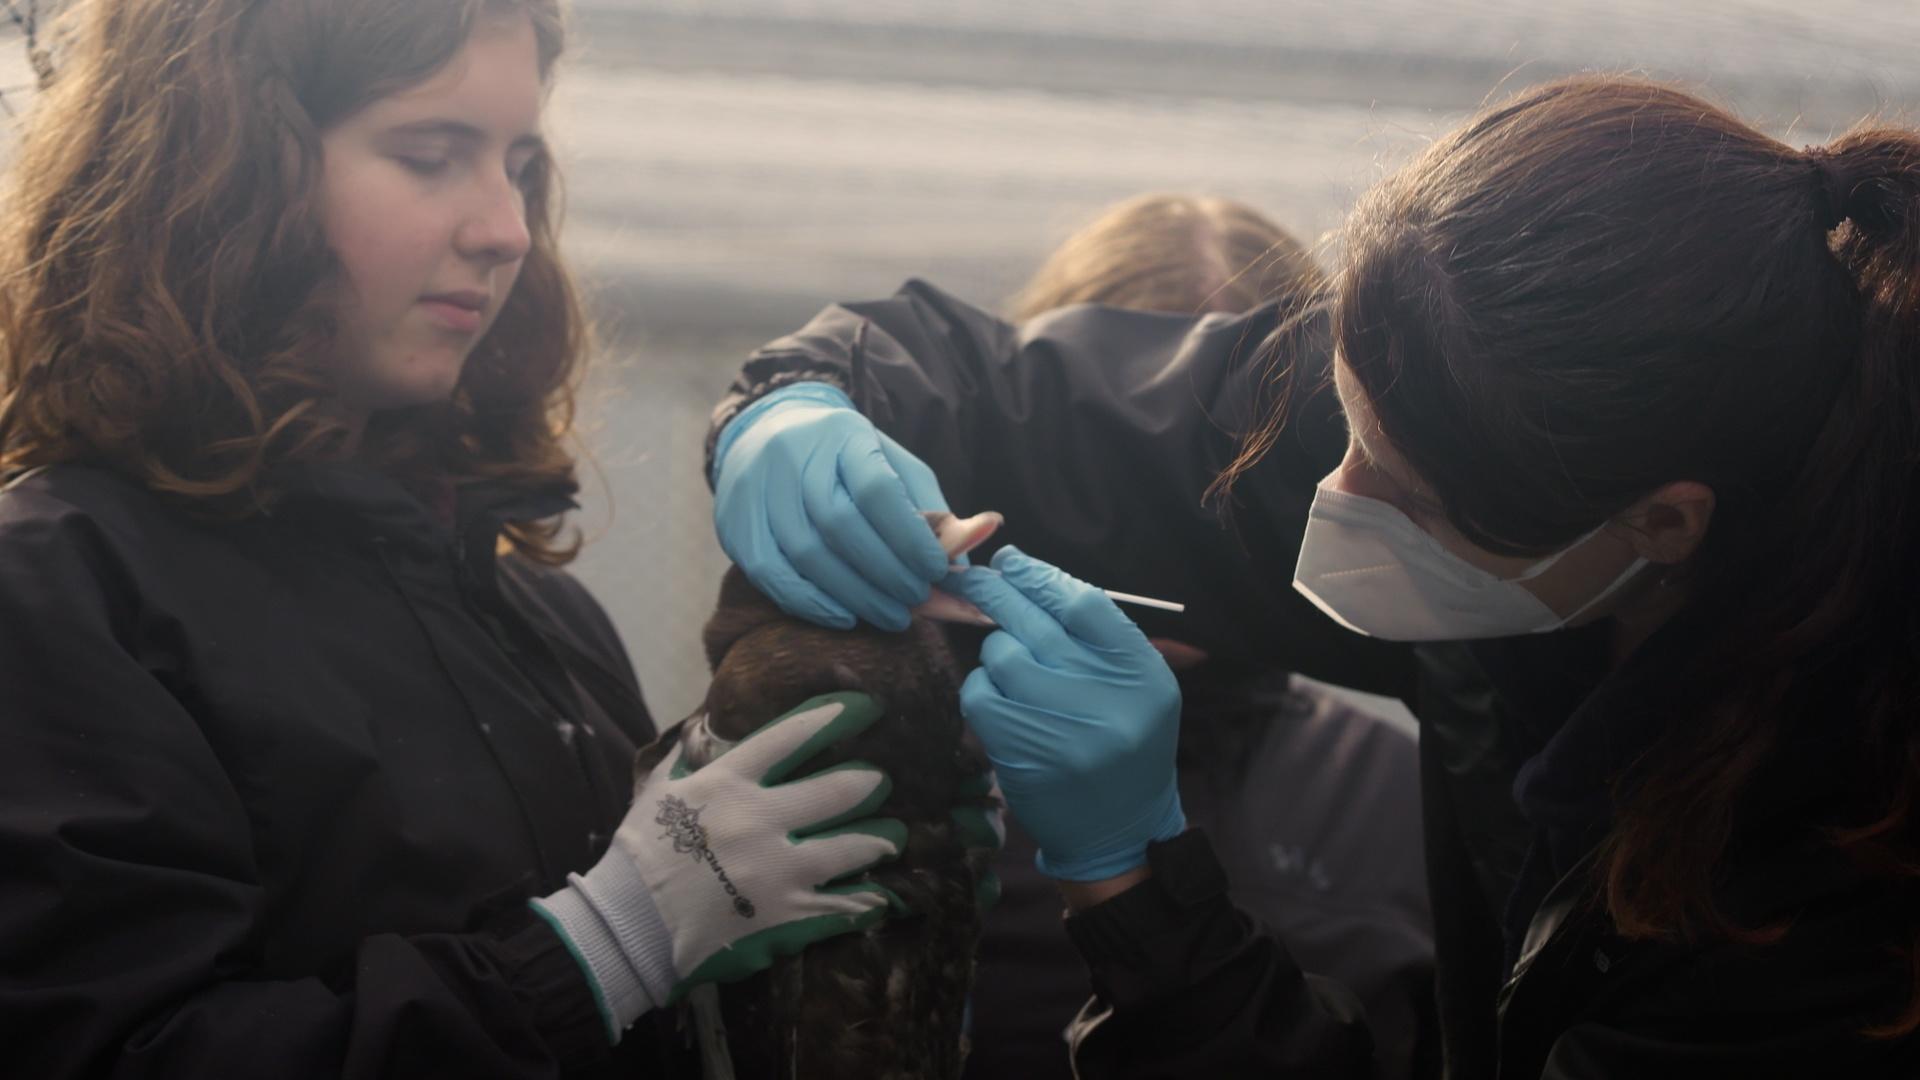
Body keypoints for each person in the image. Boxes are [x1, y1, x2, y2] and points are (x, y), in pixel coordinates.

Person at [707, 76, 1920, 1076]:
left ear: (1660, 524)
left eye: (1408, 497)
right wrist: (800, 402)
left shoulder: (1835, 893)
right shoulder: (1477, 397)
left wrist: (1138, 885)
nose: (1329, 501)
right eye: (1341, 426)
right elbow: (1021, 399)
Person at [0, 3, 987, 1077]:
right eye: (430, 156)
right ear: (219, 175)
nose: (507, 227)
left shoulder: (531, 611)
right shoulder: (58, 589)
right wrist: (599, 950)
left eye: (519, 164)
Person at [962, 192, 1436, 1080]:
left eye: (1232, 471)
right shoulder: (918, 769)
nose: (1171, 533)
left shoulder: (1402, 796)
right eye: (1112, 475)